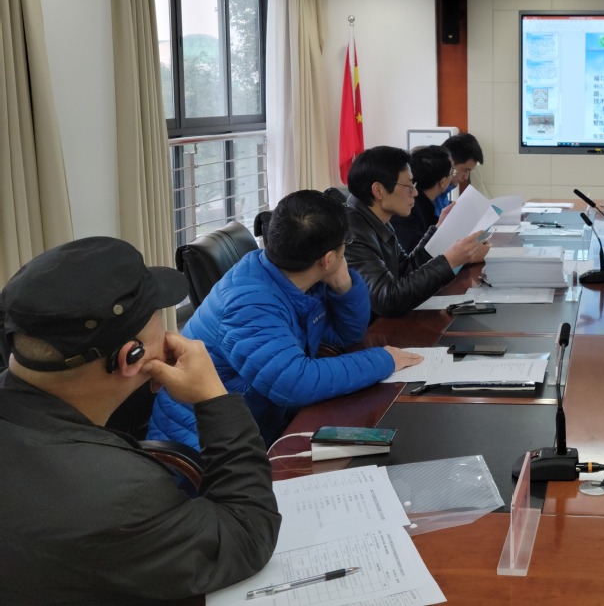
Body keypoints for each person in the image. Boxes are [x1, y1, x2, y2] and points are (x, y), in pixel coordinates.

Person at [0, 237, 280, 604]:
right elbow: (247, 534)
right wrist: (213, 397)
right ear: (131, 356)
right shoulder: (122, 496)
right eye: (161, 326)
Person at [149, 190, 422, 448]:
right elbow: (294, 383)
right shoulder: (247, 303)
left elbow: (346, 335)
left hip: (257, 427)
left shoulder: (298, 277)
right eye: (345, 244)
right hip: (205, 449)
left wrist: (344, 287)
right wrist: (383, 360)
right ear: (328, 259)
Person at [345, 145, 489, 317]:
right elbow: (388, 299)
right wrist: (449, 261)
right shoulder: (351, 232)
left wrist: (438, 231)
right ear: (379, 191)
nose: (415, 193)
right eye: (408, 186)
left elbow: (406, 270)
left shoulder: (376, 220)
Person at [391, 144, 453, 253]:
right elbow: (417, 252)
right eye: (452, 173)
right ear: (442, 182)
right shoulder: (408, 207)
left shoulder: (424, 203)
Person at [435, 132, 484, 216]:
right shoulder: (432, 195)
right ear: (450, 162)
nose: (466, 177)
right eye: (465, 170)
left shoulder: (443, 193)